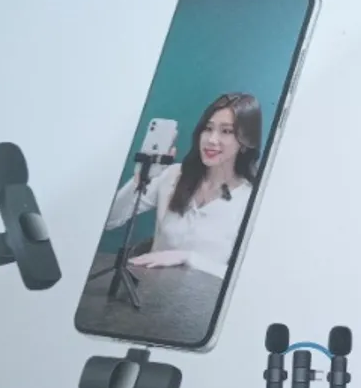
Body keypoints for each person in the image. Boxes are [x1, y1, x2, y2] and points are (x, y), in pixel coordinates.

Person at [105, 93, 262, 279]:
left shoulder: (251, 200)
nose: (212, 139)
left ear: (245, 142)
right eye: (208, 128)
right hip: (148, 290)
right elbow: (109, 220)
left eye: (226, 131)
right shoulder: (174, 175)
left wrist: (188, 258)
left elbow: (246, 278)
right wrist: (140, 181)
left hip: (204, 297)